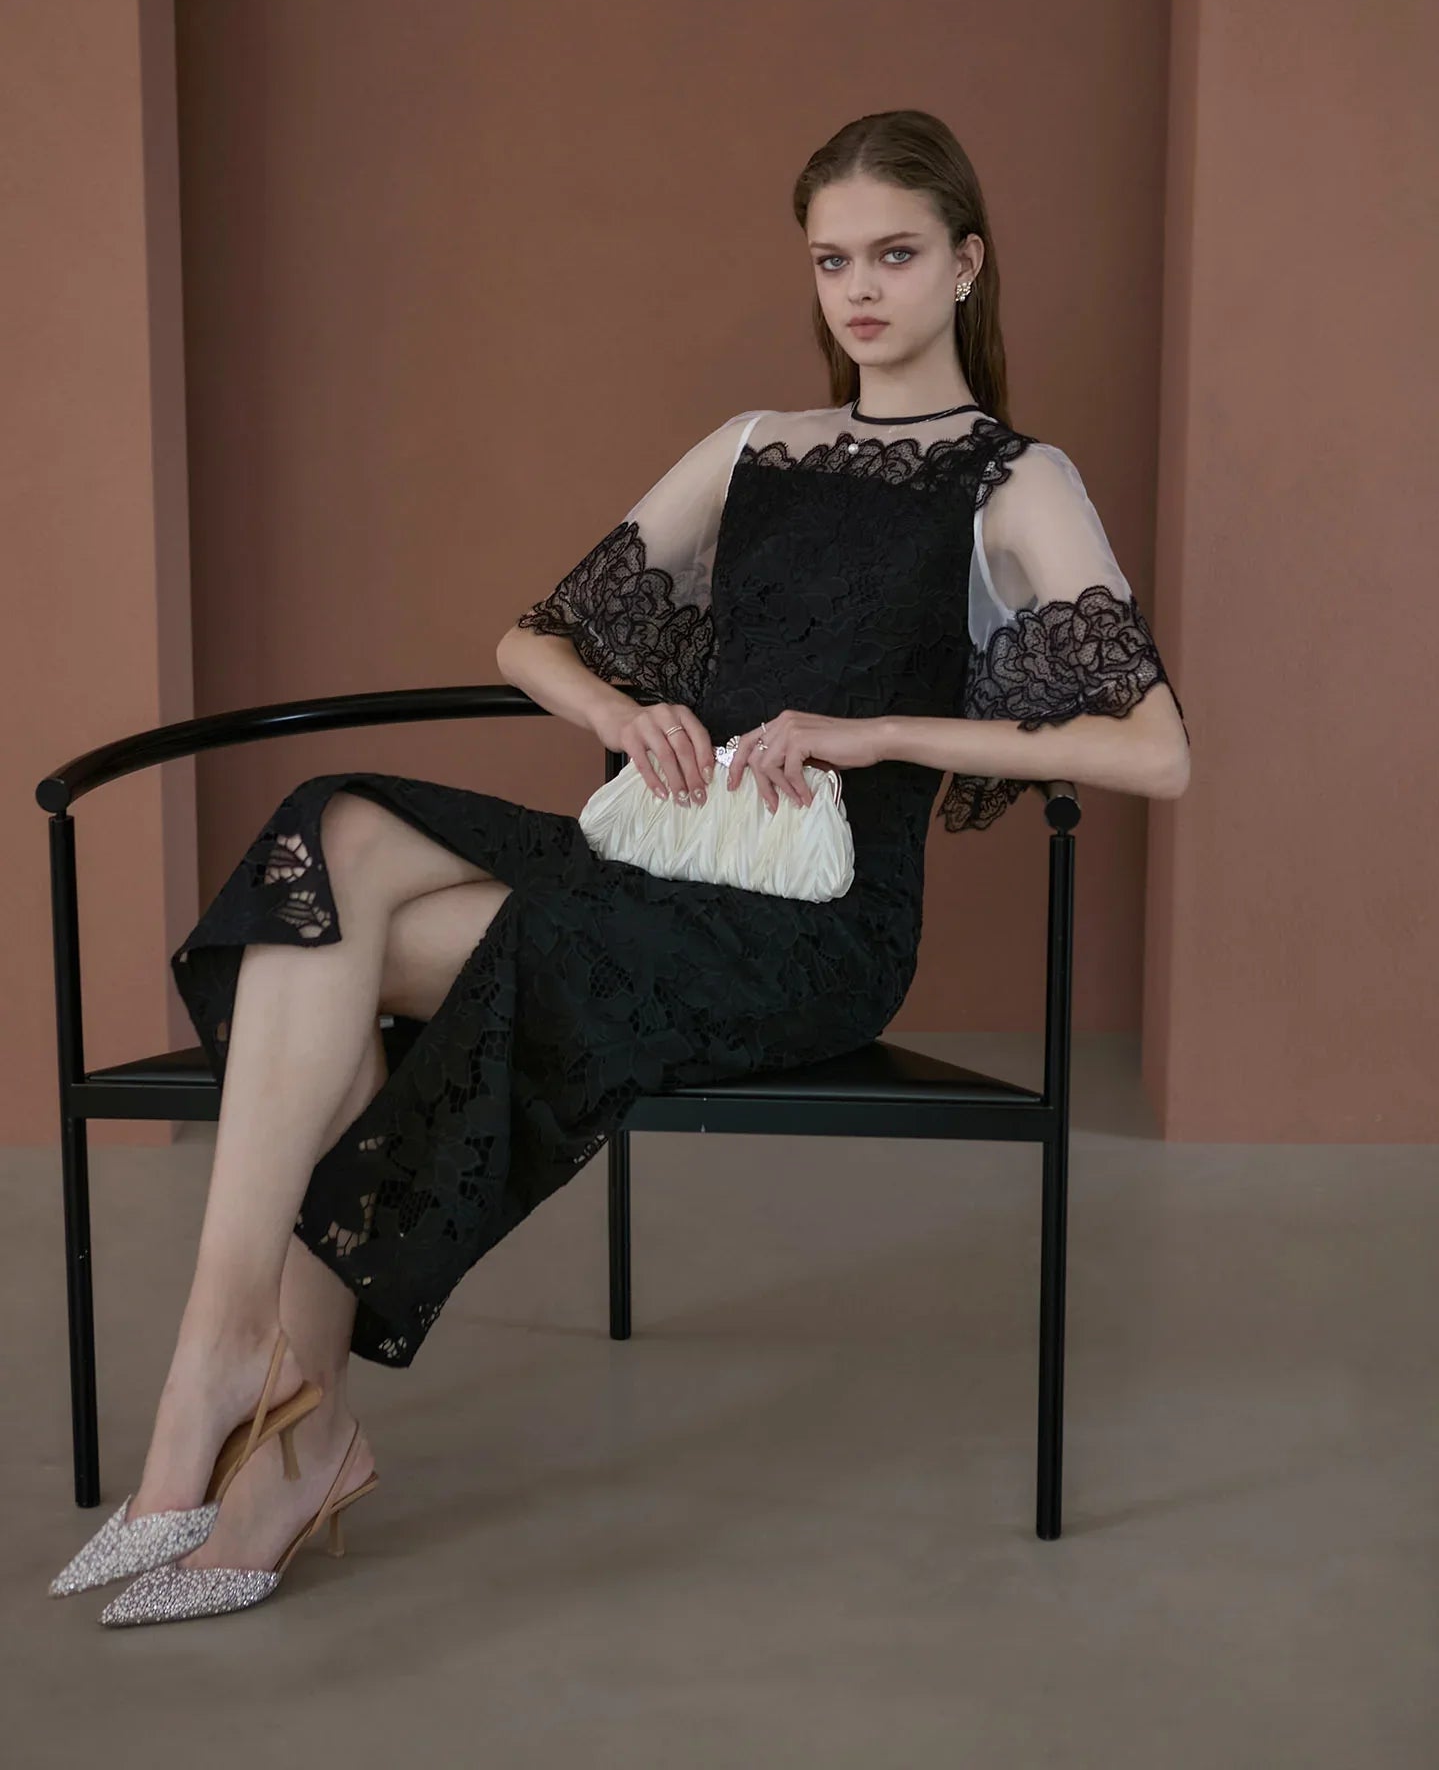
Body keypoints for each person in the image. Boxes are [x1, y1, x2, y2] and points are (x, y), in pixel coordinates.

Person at [50, 108, 1191, 1626]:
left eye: (897, 256)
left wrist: (872, 732)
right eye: (833, 260)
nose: (861, 290)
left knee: (323, 957)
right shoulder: (754, 448)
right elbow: (531, 638)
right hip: (651, 870)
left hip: (809, 928)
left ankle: (249, 1418)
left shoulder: (1015, 479)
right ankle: (236, 1379)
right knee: (333, 836)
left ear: (967, 264)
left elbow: (1156, 750)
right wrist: (615, 710)